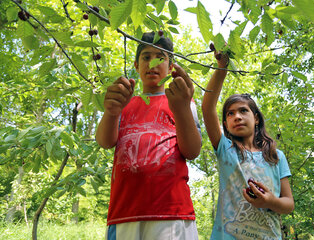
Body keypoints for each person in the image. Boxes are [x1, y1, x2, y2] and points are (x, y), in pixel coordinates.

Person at [96, 32, 202, 240]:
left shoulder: (183, 102)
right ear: (136, 65)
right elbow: (104, 141)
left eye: (160, 58)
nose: (152, 63)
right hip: (124, 214)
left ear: (171, 67)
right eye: (146, 57)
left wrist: (181, 108)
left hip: (172, 214)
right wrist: (111, 111)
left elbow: (192, 151)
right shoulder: (124, 103)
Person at [201, 51, 294, 240]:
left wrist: (270, 201)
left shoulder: (276, 156)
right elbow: (207, 107)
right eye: (230, 114)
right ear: (226, 124)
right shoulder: (225, 149)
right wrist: (222, 69)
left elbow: (289, 204)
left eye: (243, 111)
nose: (237, 116)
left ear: (256, 118)